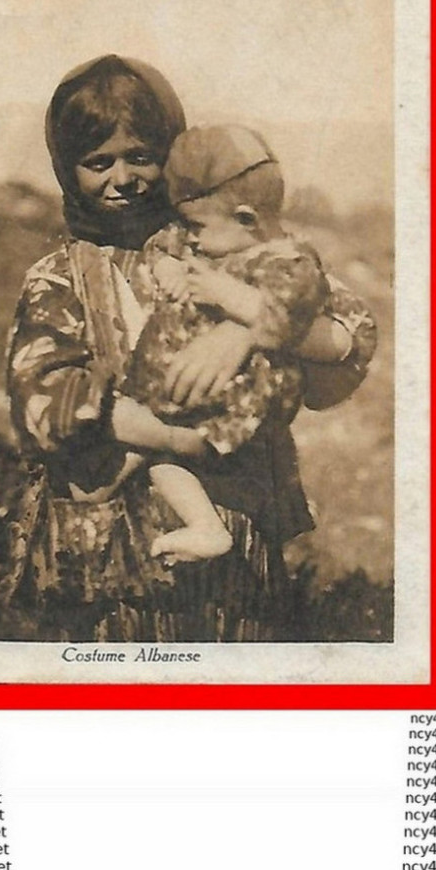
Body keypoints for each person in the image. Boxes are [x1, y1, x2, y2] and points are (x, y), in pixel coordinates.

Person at [0, 54, 376, 643]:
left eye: (141, 157)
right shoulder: (58, 277)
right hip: (109, 550)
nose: (122, 179)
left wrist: (247, 329)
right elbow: (44, 399)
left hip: (237, 538)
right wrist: (177, 438)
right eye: (98, 163)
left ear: (171, 155)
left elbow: (348, 330)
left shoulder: (223, 238)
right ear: (67, 169)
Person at [122, 124, 330, 564]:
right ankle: (204, 525)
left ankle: (206, 527)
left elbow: (286, 321)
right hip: (209, 393)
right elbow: (164, 245)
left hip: (234, 402)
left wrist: (228, 299)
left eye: (196, 226)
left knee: (156, 449)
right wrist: (170, 269)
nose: (191, 237)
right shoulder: (221, 240)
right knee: (152, 448)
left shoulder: (291, 264)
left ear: (246, 219)